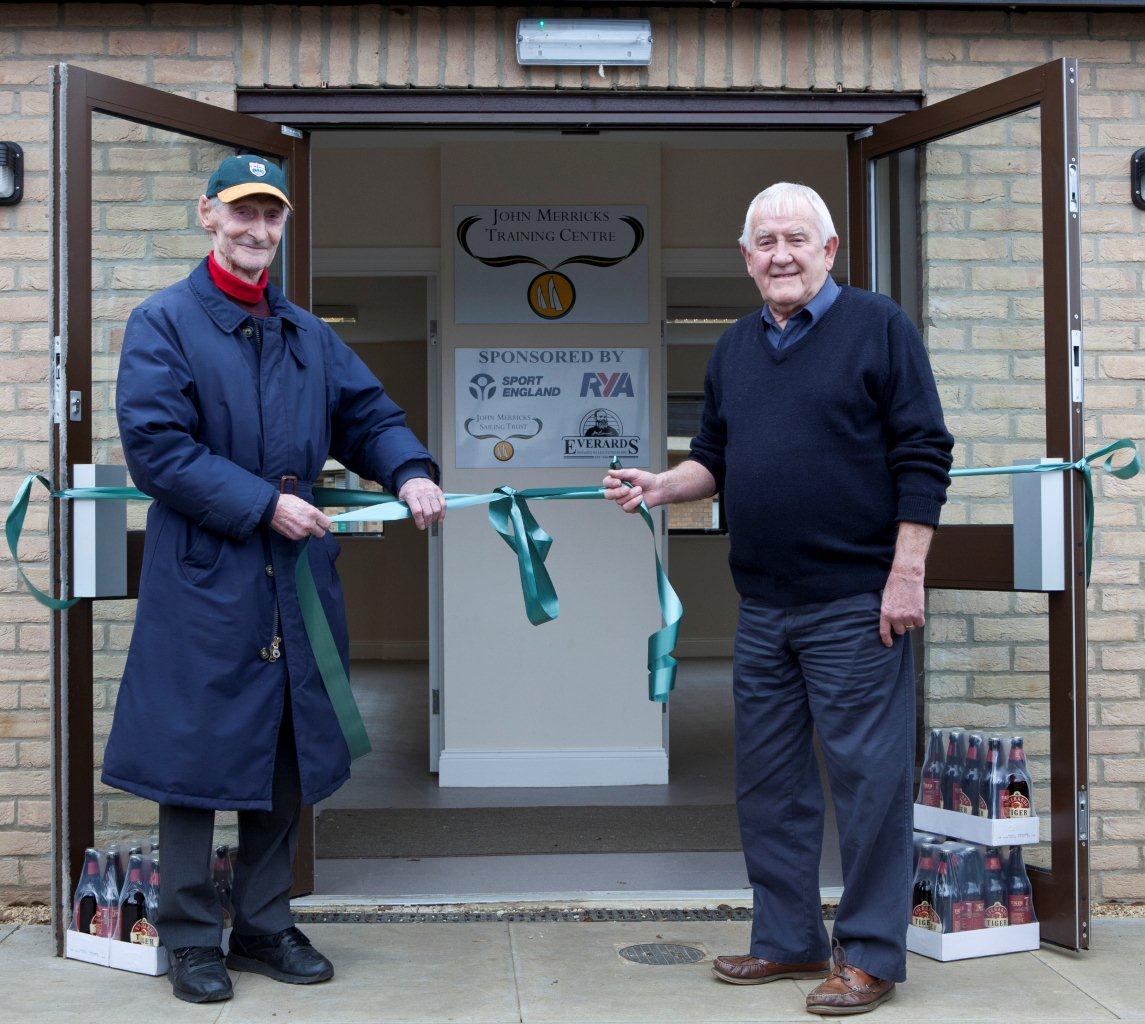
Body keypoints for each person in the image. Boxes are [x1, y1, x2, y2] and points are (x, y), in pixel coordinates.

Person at [102, 154, 445, 1004]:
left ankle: (261, 924)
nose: (258, 230)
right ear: (207, 217)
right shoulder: (164, 323)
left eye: (272, 216)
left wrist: (407, 470)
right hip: (206, 577)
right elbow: (158, 449)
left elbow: (370, 417)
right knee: (193, 754)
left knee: (287, 748)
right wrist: (263, 505)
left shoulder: (307, 335)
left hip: (293, 577)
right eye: (242, 213)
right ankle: (189, 938)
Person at [605, 182, 953, 1015]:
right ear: (746, 257)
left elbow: (923, 453)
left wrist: (906, 572)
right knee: (767, 783)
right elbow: (713, 461)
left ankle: (868, 956)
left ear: (828, 250)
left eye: (797, 239)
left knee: (867, 786)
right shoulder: (732, 349)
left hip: (855, 603)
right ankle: (788, 940)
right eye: (765, 242)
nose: (781, 255)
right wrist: (662, 483)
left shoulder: (878, 327)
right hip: (760, 609)